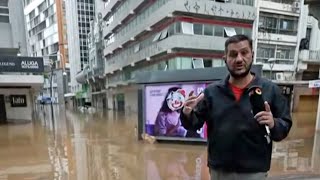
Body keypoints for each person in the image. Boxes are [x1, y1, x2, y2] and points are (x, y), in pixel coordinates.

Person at [180, 34, 292, 180]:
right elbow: (194, 125)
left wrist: (273, 123)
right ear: (225, 58)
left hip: (255, 172)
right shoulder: (212, 92)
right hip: (219, 171)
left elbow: (284, 127)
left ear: (252, 54)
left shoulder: (270, 90)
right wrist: (187, 113)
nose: (239, 59)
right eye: (233, 54)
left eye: (244, 53)